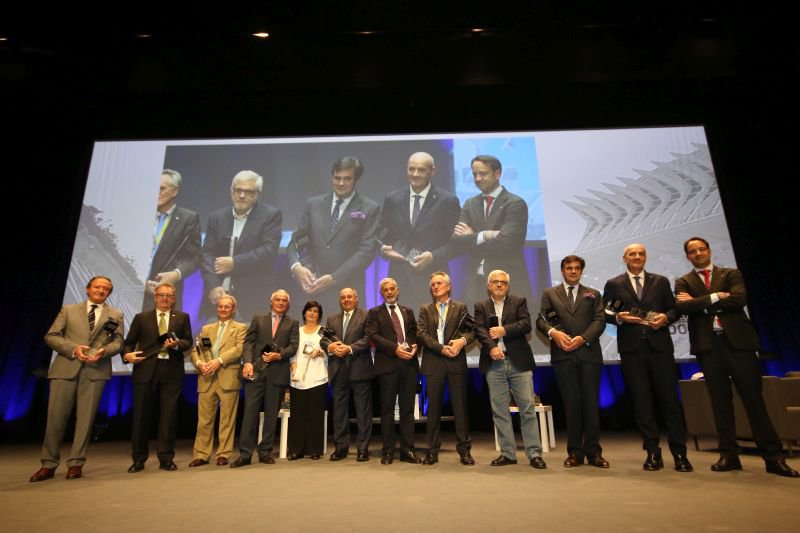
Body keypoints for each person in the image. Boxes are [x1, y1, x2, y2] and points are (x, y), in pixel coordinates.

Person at [675, 237, 798, 477]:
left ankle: (773, 457)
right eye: (693, 251)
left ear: (709, 251)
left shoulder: (731, 274)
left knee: (754, 401)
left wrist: (702, 303)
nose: (698, 253)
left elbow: (739, 299)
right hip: (709, 347)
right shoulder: (683, 281)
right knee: (720, 403)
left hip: (739, 345)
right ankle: (728, 455)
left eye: (701, 249)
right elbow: (684, 308)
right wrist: (717, 297)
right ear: (688, 256)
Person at [603, 244, 693, 472]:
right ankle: (653, 452)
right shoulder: (614, 284)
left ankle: (680, 453)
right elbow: (605, 312)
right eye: (632, 254)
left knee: (670, 401)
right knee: (642, 402)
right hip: (632, 350)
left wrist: (666, 317)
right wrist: (620, 318)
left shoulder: (660, 281)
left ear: (645, 257)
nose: (637, 257)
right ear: (624, 258)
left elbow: (675, 310)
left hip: (660, 347)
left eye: (641, 254)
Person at [30, 276, 124, 482]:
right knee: (55, 419)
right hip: (65, 369)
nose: (101, 290)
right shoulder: (69, 310)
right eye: (97, 287)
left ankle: (76, 463)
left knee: (86, 420)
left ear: (109, 293)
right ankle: (48, 464)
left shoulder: (115, 315)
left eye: (106, 288)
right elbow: (51, 336)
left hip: (95, 371)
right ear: (88, 289)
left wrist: (104, 351)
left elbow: (118, 343)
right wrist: (73, 349)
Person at [536, 256, 608, 468]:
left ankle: (594, 452)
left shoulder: (593, 294)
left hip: (588, 355)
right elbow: (542, 320)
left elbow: (600, 320)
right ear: (563, 270)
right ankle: (575, 453)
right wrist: (554, 333)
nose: (573, 271)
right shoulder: (550, 293)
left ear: (582, 271)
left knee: (591, 405)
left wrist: (583, 338)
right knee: (572, 405)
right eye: (569, 268)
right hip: (563, 355)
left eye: (577, 268)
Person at [287, 156, 380, 312]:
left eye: (347, 179)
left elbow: (366, 251)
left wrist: (334, 278)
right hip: (310, 289)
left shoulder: (370, 208)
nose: (341, 183)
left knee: (345, 337)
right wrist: (296, 267)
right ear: (332, 177)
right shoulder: (313, 204)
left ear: (356, 179)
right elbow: (297, 240)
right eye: (337, 178)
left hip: (346, 291)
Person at [475, 270, 546, 469]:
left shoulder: (519, 301)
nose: (499, 285)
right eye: (495, 282)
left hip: (519, 362)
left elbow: (526, 325)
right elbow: (479, 329)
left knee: (527, 409)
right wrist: (491, 347)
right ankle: (508, 453)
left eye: (503, 283)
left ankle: (534, 454)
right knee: (499, 411)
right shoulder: (481, 305)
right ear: (489, 285)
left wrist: (503, 330)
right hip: (494, 363)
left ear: (508, 286)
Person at [122, 282, 193, 473]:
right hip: (145, 371)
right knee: (141, 417)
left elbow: (188, 342)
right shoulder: (141, 317)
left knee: (169, 417)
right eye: (161, 295)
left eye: (169, 295)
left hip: (171, 372)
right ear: (155, 297)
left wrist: (178, 343)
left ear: (174, 298)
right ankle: (138, 459)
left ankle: (166, 458)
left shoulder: (182, 317)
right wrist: (127, 355)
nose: (165, 298)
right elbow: (128, 343)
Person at [379, 152, 460, 309]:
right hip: (398, 280)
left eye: (421, 170)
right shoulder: (393, 199)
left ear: (432, 171)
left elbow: (456, 244)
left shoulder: (448, 201)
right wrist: (382, 249)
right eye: (411, 169)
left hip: (433, 281)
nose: (415, 174)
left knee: (434, 331)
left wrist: (433, 256)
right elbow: (381, 233)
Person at [230, 289, 299, 467]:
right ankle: (245, 454)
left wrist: (279, 355)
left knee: (270, 416)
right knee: (249, 415)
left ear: (288, 304)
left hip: (277, 374)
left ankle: (265, 452)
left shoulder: (293, 323)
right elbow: (248, 343)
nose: (281, 303)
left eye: (284, 300)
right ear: (271, 302)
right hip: (255, 372)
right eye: (278, 300)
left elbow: (293, 347)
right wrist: (247, 363)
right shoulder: (258, 319)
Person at [201, 170, 282, 322]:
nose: (242, 195)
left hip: (252, 299)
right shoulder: (216, 217)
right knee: (212, 343)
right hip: (219, 298)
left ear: (257, 194)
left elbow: (268, 252)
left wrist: (234, 263)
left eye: (248, 192)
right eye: (238, 190)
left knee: (251, 344)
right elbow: (207, 255)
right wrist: (212, 286)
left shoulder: (270, 216)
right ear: (231, 191)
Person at [452, 155, 530, 303]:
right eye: (474, 174)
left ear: (497, 174)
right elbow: (458, 240)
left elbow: (506, 244)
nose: (477, 178)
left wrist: (473, 237)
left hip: (506, 281)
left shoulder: (515, 203)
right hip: (476, 281)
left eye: (483, 173)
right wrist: (485, 235)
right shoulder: (470, 204)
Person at [417, 271, 475, 465]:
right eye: (432, 284)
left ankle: (464, 451)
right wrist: (442, 349)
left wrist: (462, 341)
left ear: (449, 286)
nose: (435, 287)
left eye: (439, 283)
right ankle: (432, 450)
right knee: (433, 410)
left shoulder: (460, 307)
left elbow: (472, 330)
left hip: (456, 361)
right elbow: (422, 334)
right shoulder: (425, 309)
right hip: (434, 362)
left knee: (460, 408)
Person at [365, 278, 422, 465]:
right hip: (387, 366)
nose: (389, 292)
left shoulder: (408, 311)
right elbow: (372, 335)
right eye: (385, 290)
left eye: (392, 289)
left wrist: (414, 346)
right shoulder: (374, 313)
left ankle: (408, 450)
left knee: (407, 411)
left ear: (397, 290)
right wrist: (394, 348)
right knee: (387, 410)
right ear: (381, 293)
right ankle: (388, 450)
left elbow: (414, 332)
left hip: (408, 365)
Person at [188, 295, 247, 467]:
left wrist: (218, 361)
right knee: (204, 420)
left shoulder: (240, 328)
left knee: (227, 419)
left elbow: (239, 349)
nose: (223, 309)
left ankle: (223, 453)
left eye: (227, 307)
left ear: (233, 309)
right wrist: (199, 363)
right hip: (206, 377)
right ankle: (201, 454)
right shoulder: (206, 329)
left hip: (228, 377)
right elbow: (195, 350)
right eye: (220, 306)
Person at [323, 288, 373, 462]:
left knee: (363, 412)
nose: (346, 299)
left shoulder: (366, 315)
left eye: (349, 296)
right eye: (343, 297)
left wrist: (350, 348)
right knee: (339, 412)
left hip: (360, 369)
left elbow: (369, 338)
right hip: (338, 371)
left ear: (356, 299)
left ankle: (362, 448)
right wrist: (329, 347)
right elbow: (324, 339)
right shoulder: (332, 319)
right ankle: (341, 448)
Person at [145, 169, 201, 306]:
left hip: (165, 293)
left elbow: (194, 256)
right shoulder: (138, 214)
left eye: (162, 188)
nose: (156, 192)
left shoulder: (188, 219)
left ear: (175, 191)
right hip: (130, 289)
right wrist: (140, 281)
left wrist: (176, 274)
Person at [287, 300, 327, 460]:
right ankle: (297, 449)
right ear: (304, 313)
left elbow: (331, 352)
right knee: (297, 416)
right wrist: (294, 367)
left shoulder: (324, 331)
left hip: (318, 378)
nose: (312, 313)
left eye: (315, 311)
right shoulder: (297, 331)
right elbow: (292, 352)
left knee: (315, 415)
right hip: (298, 378)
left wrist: (322, 352)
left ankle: (315, 449)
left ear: (319, 315)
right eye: (309, 310)